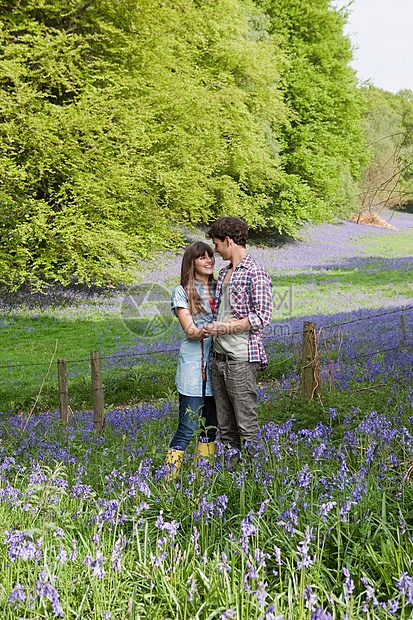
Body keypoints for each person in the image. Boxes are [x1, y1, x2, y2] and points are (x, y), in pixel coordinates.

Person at [203, 216, 273, 465]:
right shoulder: (224, 273)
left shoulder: (256, 273)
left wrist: (223, 327)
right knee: (225, 429)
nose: (216, 250)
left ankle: (260, 481)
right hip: (218, 359)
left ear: (228, 240)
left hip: (241, 359)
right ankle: (232, 482)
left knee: (247, 427)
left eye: (217, 244)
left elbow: (262, 317)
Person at [165, 241, 218, 480]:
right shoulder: (182, 291)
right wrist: (206, 330)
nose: (209, 260)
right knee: (187, 428)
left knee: (211, 429)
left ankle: (201, 480)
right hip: (193, 367)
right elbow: (189, 330)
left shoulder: (221, 288)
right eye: (202, 258)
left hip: (218, 366)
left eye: (211, 256)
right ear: (191, 263)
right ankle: (168, 479)